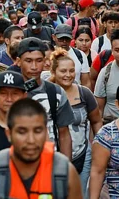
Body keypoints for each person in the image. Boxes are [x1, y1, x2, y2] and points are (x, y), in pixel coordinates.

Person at [0, 98, 82, 199]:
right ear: (9, 134)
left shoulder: (65, 172)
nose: (31, 140)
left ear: (46, 132)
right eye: (22, 132)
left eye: (37, 131)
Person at [49, 48, 102, 197]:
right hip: (51, 157)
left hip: (82, 155)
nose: (68, 75)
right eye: (63, 71)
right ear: (54, 72)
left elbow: (97, 121)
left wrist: (99, 146)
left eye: (72, 71)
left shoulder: (84, 93)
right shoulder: (46, 92)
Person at [16, 37, 74, 159]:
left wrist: (65, 168)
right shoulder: (8, 92)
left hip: (49, 162)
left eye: (38, 61)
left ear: (45, 62)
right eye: (28, 61)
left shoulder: (55, 92)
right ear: (18, 61)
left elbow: (64, 134)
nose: (34, 66)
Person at [53, 24, 91, 90]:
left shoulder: (80, 55)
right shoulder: (49, 55)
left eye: (67, 39)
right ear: (54, 37)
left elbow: (86, 83)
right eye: (61, 39)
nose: (64, 42)